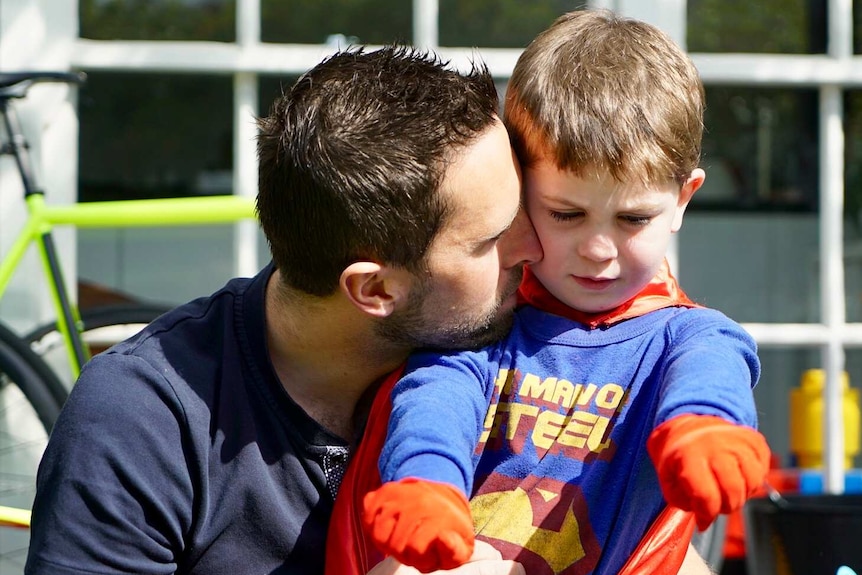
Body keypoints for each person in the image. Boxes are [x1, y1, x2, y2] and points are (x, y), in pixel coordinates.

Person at [24, 45, 543, 575]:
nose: (536, 248)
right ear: (375, 290)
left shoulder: (551, 342)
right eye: (493, 238)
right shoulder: (141, 419)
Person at [328, 10, 771, 575]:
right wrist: (425, 484)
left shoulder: (686, 334)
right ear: (519, 187)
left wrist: (707, 426)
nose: (598, 248)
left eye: (633, 218)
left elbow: (711, 369)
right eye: (566, 213)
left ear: (684, 199)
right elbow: (437, 399)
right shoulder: (490, 317)